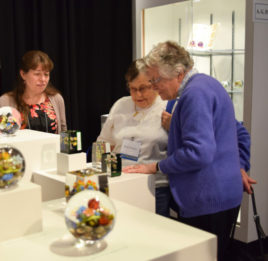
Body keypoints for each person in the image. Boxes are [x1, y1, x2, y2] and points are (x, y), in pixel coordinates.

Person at [123, 41, 256, 261]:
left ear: (179, 73)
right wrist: (239, 167)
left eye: (156, 80)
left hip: (207, 201)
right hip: (220, 197)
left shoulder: (194, 94)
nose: (154, 87)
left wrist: (155, 166)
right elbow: (239, 133)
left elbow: (198, 153)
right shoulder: (207, 85)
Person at [97, 59, 172, 217]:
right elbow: (103, 143)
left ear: (155, 84)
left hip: (154, 187)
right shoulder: (121, 105)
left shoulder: (167, 107)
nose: (138, 95)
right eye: (133, 89)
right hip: (120, 183)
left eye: (143, 88)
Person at [0, 50, 67, 134]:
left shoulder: (57, 99)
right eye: (37, 74)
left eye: (46, 74)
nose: (43, 79)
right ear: (23, 74)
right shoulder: (6, 101)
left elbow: (64, 132)